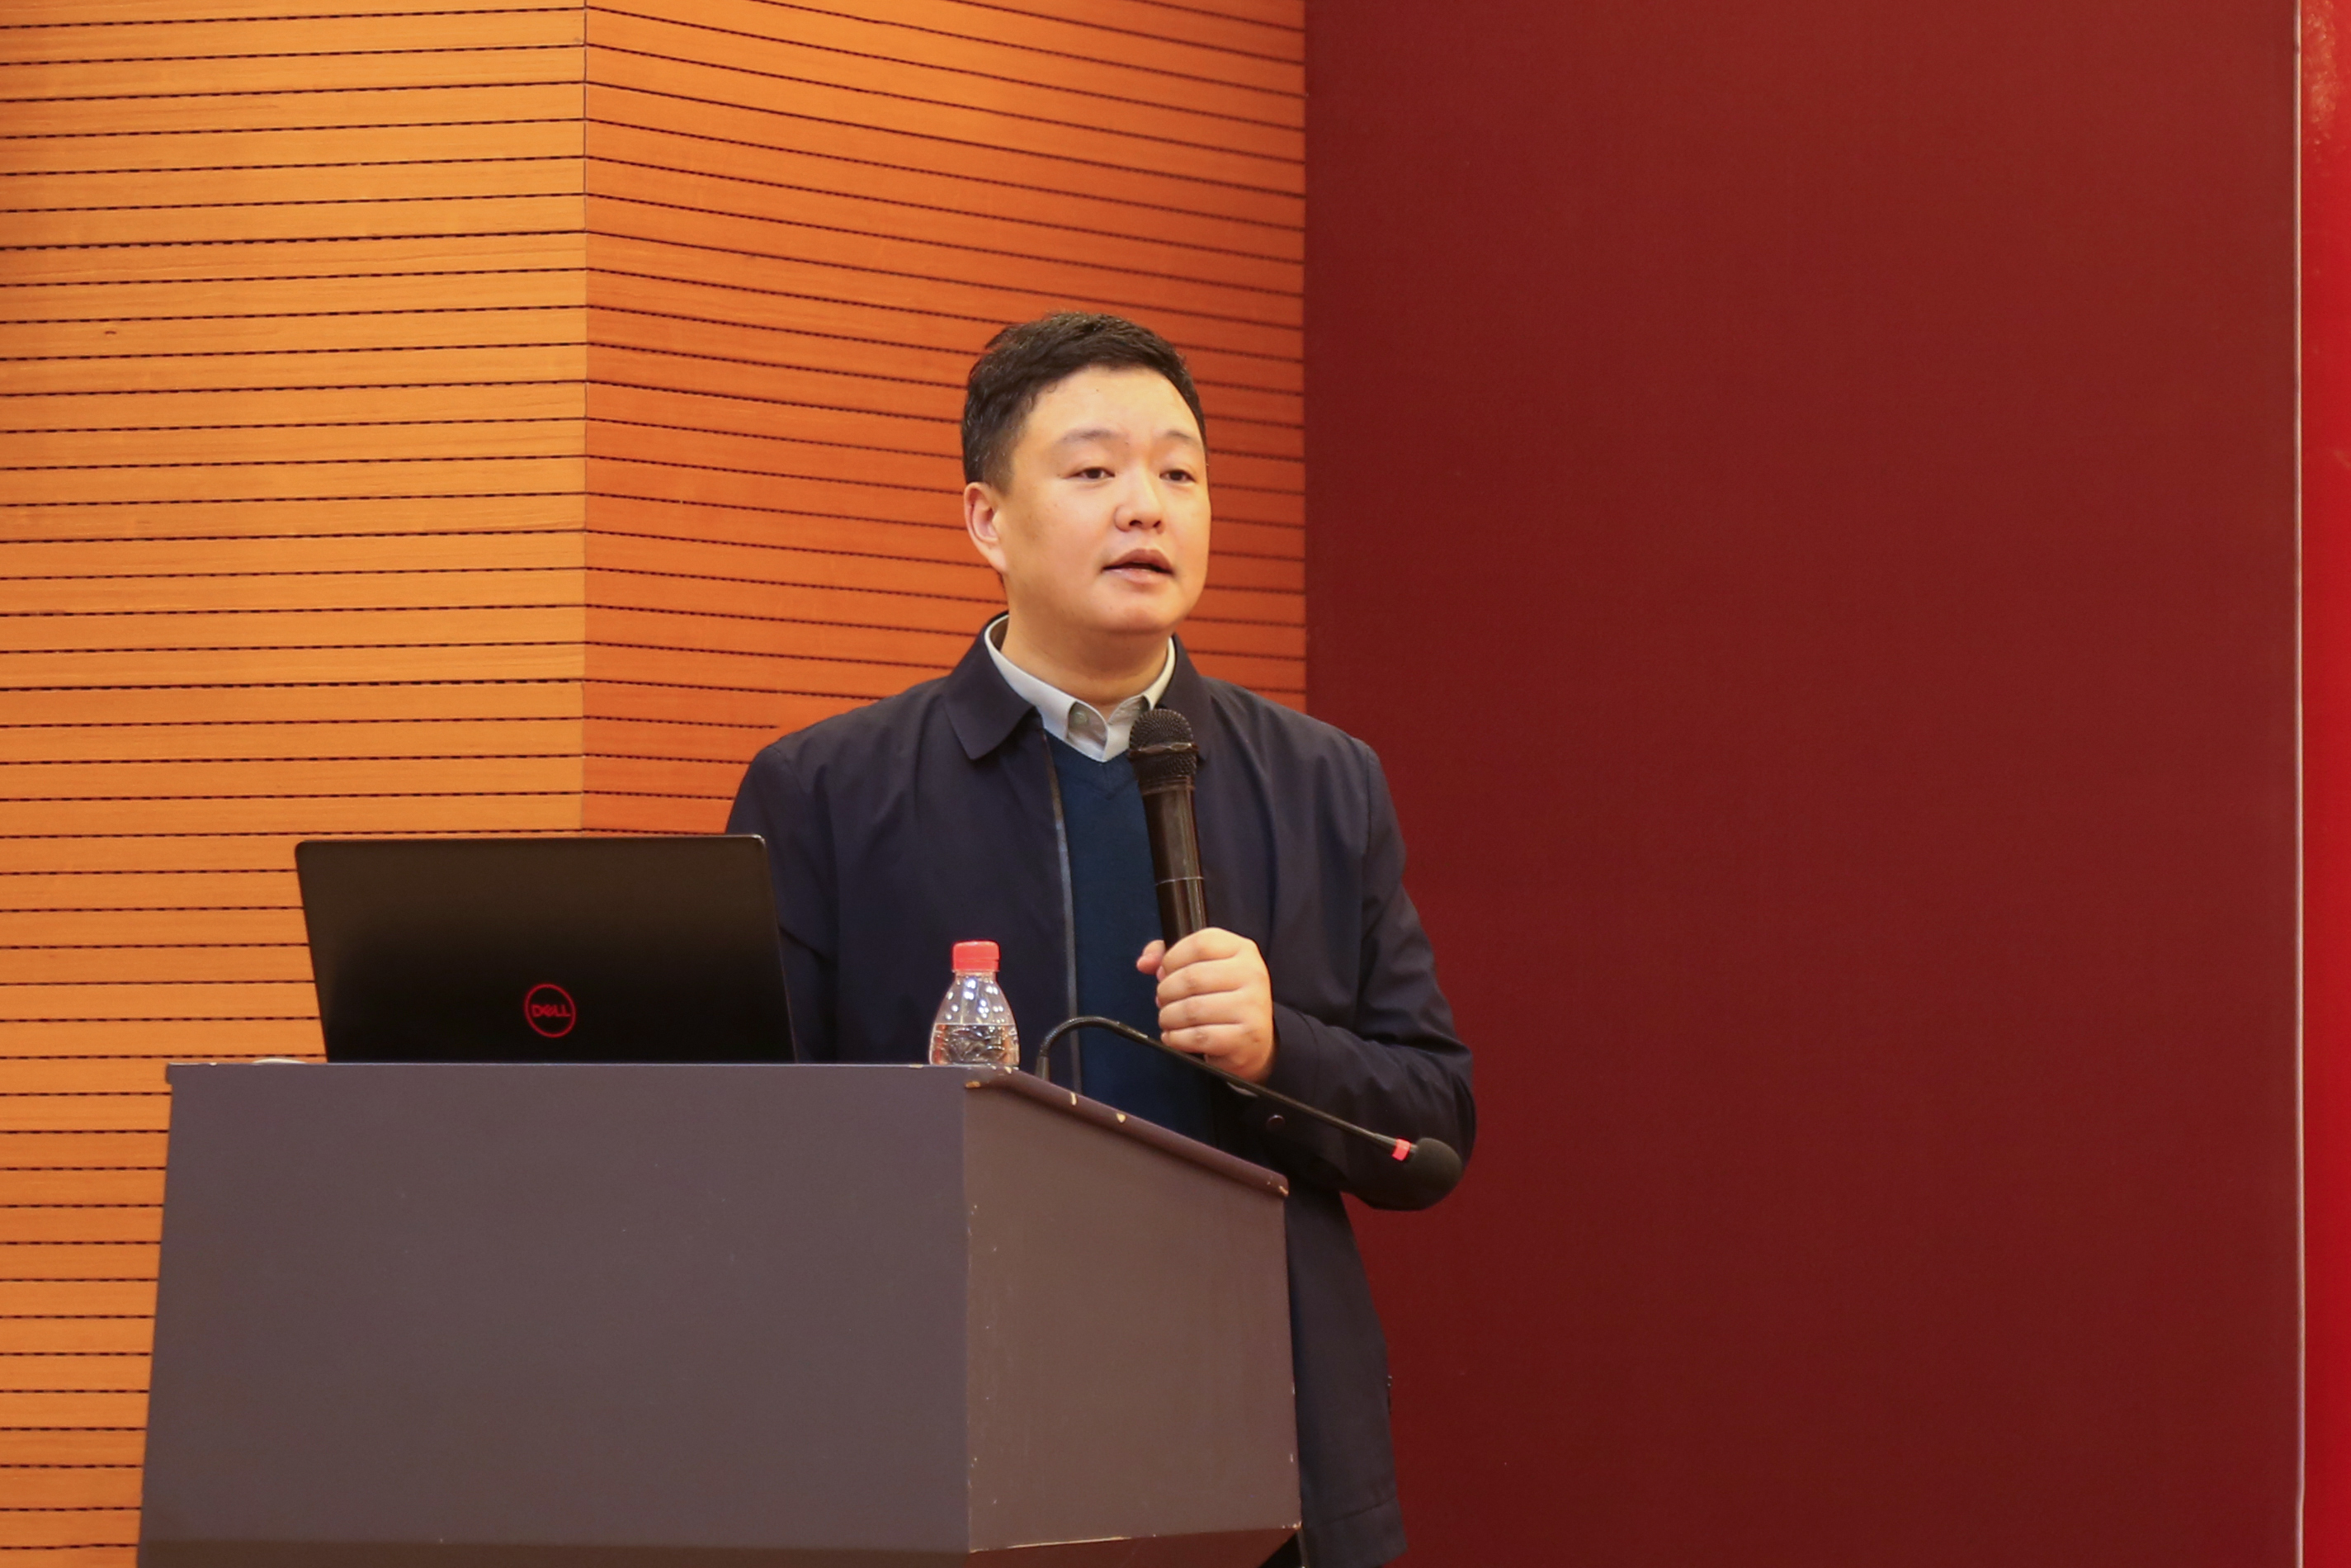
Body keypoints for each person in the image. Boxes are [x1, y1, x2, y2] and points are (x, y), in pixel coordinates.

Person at [728, 312, 1475, 1568]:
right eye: (1093, 471)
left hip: (1262, 1438)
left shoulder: (1321, 782)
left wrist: (1277, 1049)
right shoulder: (827, 793)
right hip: (943, 1431)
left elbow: (1431, 1130)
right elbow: (746, 1148)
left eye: (1179, 473)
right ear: (986, 520)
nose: (1146, 506)